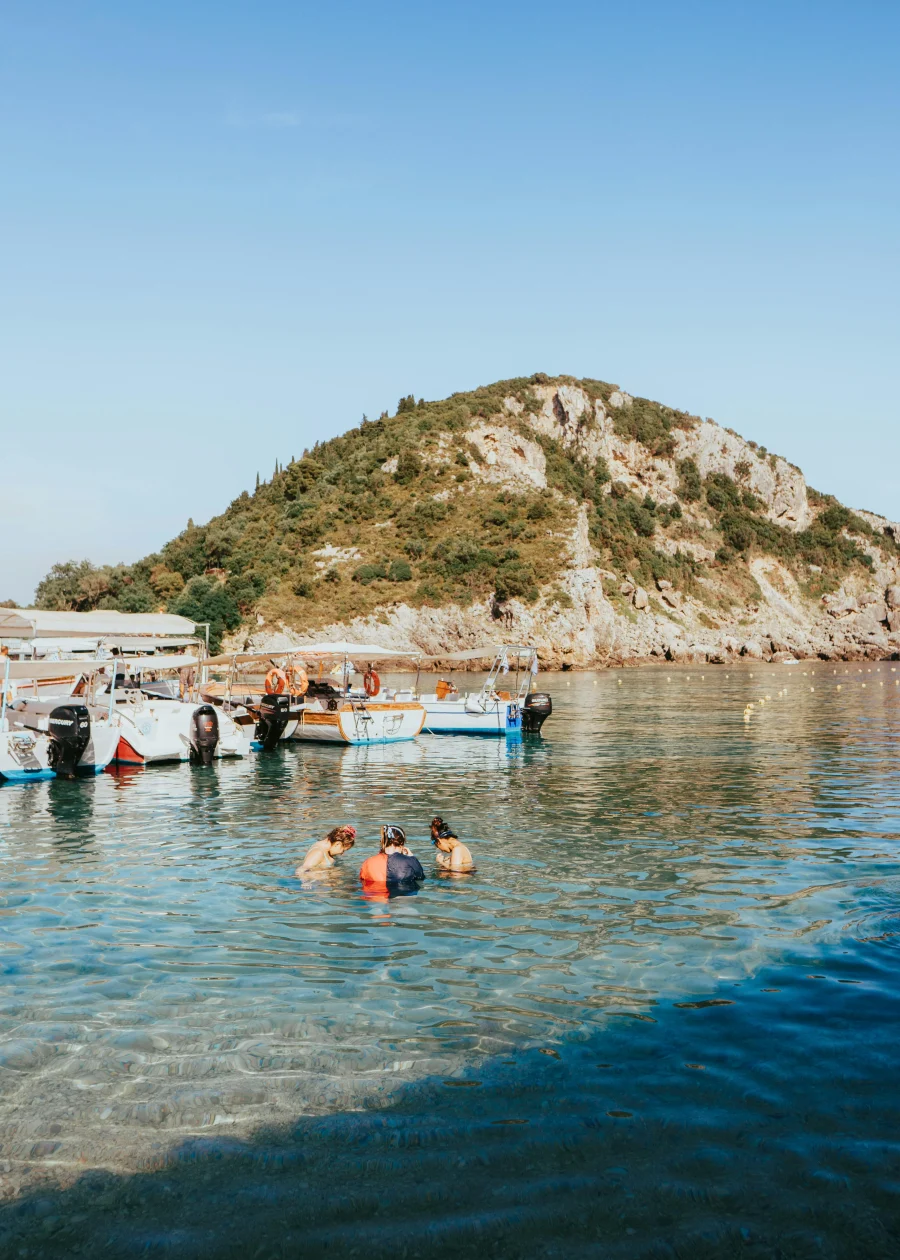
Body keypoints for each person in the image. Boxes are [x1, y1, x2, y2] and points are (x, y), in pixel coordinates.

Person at [359, 825, 425, 888]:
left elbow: (362, 881)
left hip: (375, 898)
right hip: (402, 897)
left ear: (382, 843)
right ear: (402, 844)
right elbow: (421, 877)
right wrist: (412, 858)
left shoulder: (367, 862)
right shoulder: (409, 861)